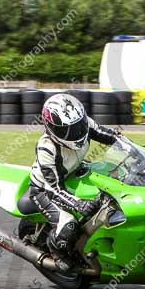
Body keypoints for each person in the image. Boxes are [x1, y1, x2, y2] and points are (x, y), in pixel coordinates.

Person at [29, 93, 121, 272]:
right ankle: (56, 249)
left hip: (75, 171)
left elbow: (113, 137)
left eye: (78, 126)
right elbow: (53, 188)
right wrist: (79, 204)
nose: (76, 133)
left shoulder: (85, 125)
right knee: (70, 226)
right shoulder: (47, 148)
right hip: (45, 189)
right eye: (67, 130)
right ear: (52, 128)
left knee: (117, 181)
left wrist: (138, 152)